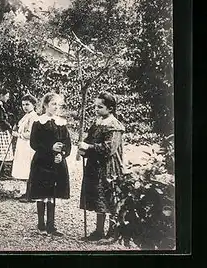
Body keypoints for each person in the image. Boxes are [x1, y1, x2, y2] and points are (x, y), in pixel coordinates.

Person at [78, 91, 125, 241]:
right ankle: (99, 231)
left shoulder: (114, 126)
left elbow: (109, 148)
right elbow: (89, 139)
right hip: (95, 165)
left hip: (109, 166)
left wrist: (89, 147)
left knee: (109, 197)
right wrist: (83, 149)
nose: (96, 109)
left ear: (110, 109)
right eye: (95, 106)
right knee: (98, 198)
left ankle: (113, 232)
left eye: (100, 107)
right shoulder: (97, 122)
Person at [27, 93, 71, 236]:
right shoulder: (39, 122)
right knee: (42, 193)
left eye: (58, 104)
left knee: (52, 193)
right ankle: (41, 225)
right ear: (45, 105)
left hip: (57, 163)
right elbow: (34, 143)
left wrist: (62, 154)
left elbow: (67, 144)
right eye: (53, 104)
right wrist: (50, 148)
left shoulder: (62, 123)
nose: (56, 107)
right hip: (42, 161)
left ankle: (51, 226)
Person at [11, 93, 39, 200]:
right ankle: (28, 192)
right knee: (25, 169)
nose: (25, 107)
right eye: (23, 105)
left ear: (33, 105)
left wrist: (18, 134)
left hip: (29, 145)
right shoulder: (26, 116)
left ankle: (31, 194)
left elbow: (31, 134)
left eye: (27, 104)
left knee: (29, 168)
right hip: (22, 145)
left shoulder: (34, 117)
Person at [0, 89, 14, 180]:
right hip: (1, 129)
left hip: (2, 128)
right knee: (2, 149)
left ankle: (2, 171)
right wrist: (9, 126)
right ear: (1, 95)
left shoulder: (0, 105)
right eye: (6, 96)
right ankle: (1, 172)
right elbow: (0, 119)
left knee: (3, 149)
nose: (7, 98)